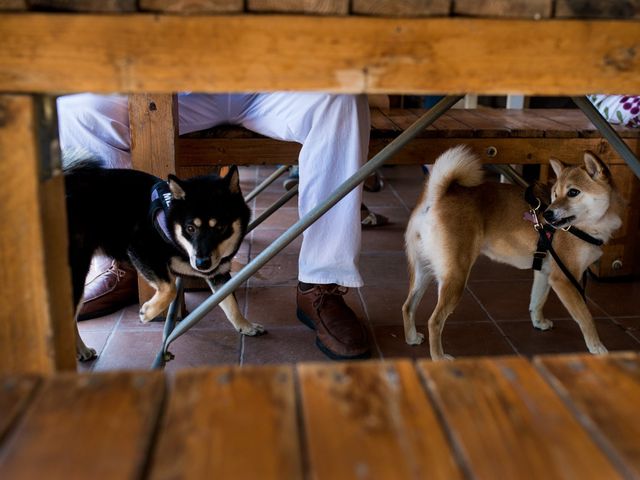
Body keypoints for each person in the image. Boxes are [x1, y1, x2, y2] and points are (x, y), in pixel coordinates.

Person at [57, 93, 372, 360]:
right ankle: (128, 257)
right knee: (77, 112)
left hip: (267, 80)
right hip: (182, 88)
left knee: (341, 99)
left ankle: (322, 281)